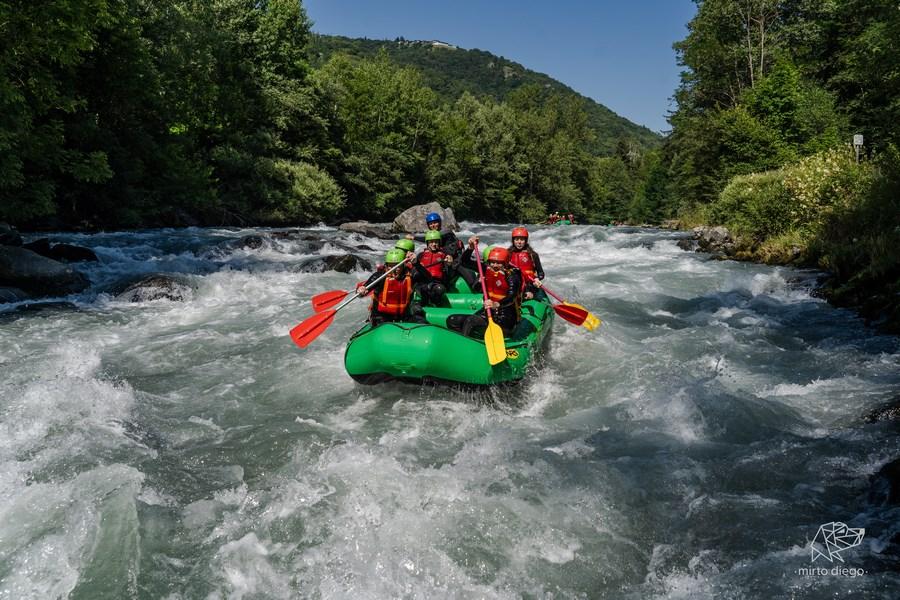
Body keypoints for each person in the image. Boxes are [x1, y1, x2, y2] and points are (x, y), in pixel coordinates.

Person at [447, 246, 522, 339]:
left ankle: (467, 344)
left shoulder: (512, 276)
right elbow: (465, 262)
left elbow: (512, 296)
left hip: (506, 317)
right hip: (488, 312)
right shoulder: (486, 269)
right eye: (492, 262)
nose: (494, 265)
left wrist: (497, 304)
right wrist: (470, 248)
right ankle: (466, 341)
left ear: (505, 263)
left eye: (498, 263)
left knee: (471, 321)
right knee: (452, 320)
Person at [356, 249, 426, 327]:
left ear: (403, 265)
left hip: (403, 316)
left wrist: (416, 263)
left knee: (421, 321)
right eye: (390, 266)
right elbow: (363, 290)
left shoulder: (411, 275)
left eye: (397, 265)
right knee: (381, 323)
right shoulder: (379, 276)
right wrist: (361, 290)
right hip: (381, 317)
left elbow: (428, 279)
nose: (394, 269)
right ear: (386, 265)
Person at [411, 229, 454, 306]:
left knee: (440, 289)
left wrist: (450, 265)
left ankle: (435, 304)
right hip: (422, 283)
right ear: (427, 243)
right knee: (423, 288)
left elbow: (449, 275)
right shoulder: (421, 255)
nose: (434, 244)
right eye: (431, 242)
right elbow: (414, 271)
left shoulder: (445, 256)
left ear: (439, 243)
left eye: (436, 242)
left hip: (436, 283)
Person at [508, 227, 546, 300]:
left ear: (526, 241)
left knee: (529, 292)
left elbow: (541, 273)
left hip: (529, 284)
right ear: (513, 241)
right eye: (516, 239)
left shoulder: (532, 255)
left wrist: (537, 279)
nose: (519, 242)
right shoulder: (508, 254)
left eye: (522, 239)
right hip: (513, 283)